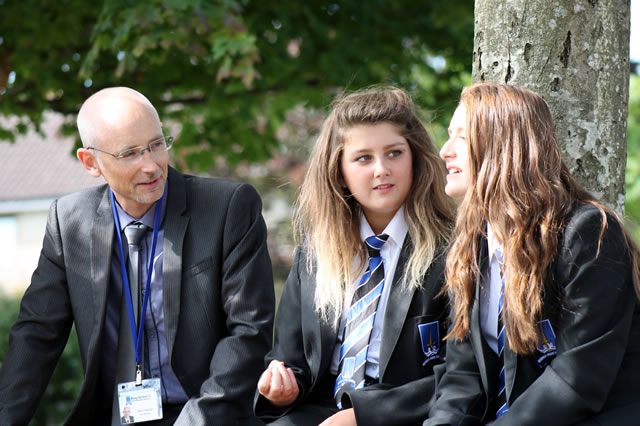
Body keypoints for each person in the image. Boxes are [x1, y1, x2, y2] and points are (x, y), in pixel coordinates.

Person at [0, 87, 275, 425]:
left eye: (156, 145)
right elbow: (37, 333)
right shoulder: (69, 221)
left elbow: (249, 332)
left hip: (206, 412)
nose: (151, 165)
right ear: (90, 162)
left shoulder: (228, 207)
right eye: (130, 153)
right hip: (116, 417)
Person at [425, 82, 640, 425]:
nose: (444, 151)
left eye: (461, 137)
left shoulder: (586, 233)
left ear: (502, 145)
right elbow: (462, 377)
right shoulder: (472, 245)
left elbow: (576, 381)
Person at [254, 87, 456, 425]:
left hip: (400, 415)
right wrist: (282, 387)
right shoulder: (315, 252)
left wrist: (362, 415)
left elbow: (461, 374)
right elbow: (291, 361)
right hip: (317, 413)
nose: (381, 169)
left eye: (394, 153)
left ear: (415, 157)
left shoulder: (451, 250)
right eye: (363, 158)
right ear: (340, 172)